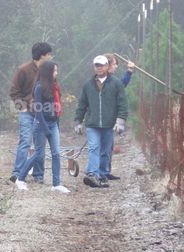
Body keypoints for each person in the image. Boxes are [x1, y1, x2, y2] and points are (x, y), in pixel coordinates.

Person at [13, 61, 70, 193]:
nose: (57, 73)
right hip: (41, 125)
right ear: (48, 73)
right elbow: (38, 111)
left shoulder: (54, 87)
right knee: (39, 153)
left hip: (53, 123)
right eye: (55, 71)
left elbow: (56, 108)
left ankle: (56, 184)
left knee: (56, 153)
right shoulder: (39, 87)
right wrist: (45, 129)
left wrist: (55, 124)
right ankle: (20, 179)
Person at [74, 55, 128, 188]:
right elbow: (82, 104)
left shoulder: (116, 84)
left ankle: (103, 175)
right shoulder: (88, 85)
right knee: (93, 148)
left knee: (105, 150)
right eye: (96, 65)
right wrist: (78, 121)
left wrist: (120, 121)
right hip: (92, 124)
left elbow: (122, 103)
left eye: (101, 65)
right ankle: (92, 174)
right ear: (94, 67)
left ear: (107, 66)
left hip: (108, 124)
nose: (99, 68)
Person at [9, 42, 53, 184]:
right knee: (25, 142)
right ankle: (17, 173)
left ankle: (38, 175)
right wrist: (22, 107)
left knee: (40, 144)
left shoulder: (49, 70)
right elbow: (14, 92)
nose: (51, 56)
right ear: (42, 55)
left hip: (43, 113)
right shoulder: (23, 70)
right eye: (49, 54)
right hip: (27, 112)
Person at [104, 54, 136, 180]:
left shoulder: (111, 79)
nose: (116, 66)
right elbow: (121, 86)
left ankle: (105, 171)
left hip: (110, 117)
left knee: (108, 145)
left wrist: (129, 71)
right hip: (102, 118)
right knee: (102, 146)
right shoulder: (103, 80)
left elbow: (121, 86)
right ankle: (98, 172)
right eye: (114, 64)